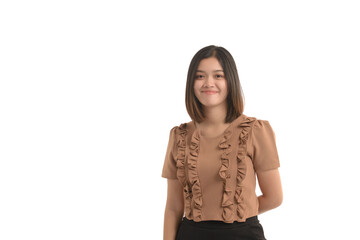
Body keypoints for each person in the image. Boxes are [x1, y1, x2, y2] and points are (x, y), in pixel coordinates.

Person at [161, 45, 283, 240]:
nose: (208, 83)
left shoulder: (255, 130)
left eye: (218, 76)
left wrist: (235, 211)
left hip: (243, 234)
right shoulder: (179, 136)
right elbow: (174, 207)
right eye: (200, 76)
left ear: (231, 81)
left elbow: (275, 197)